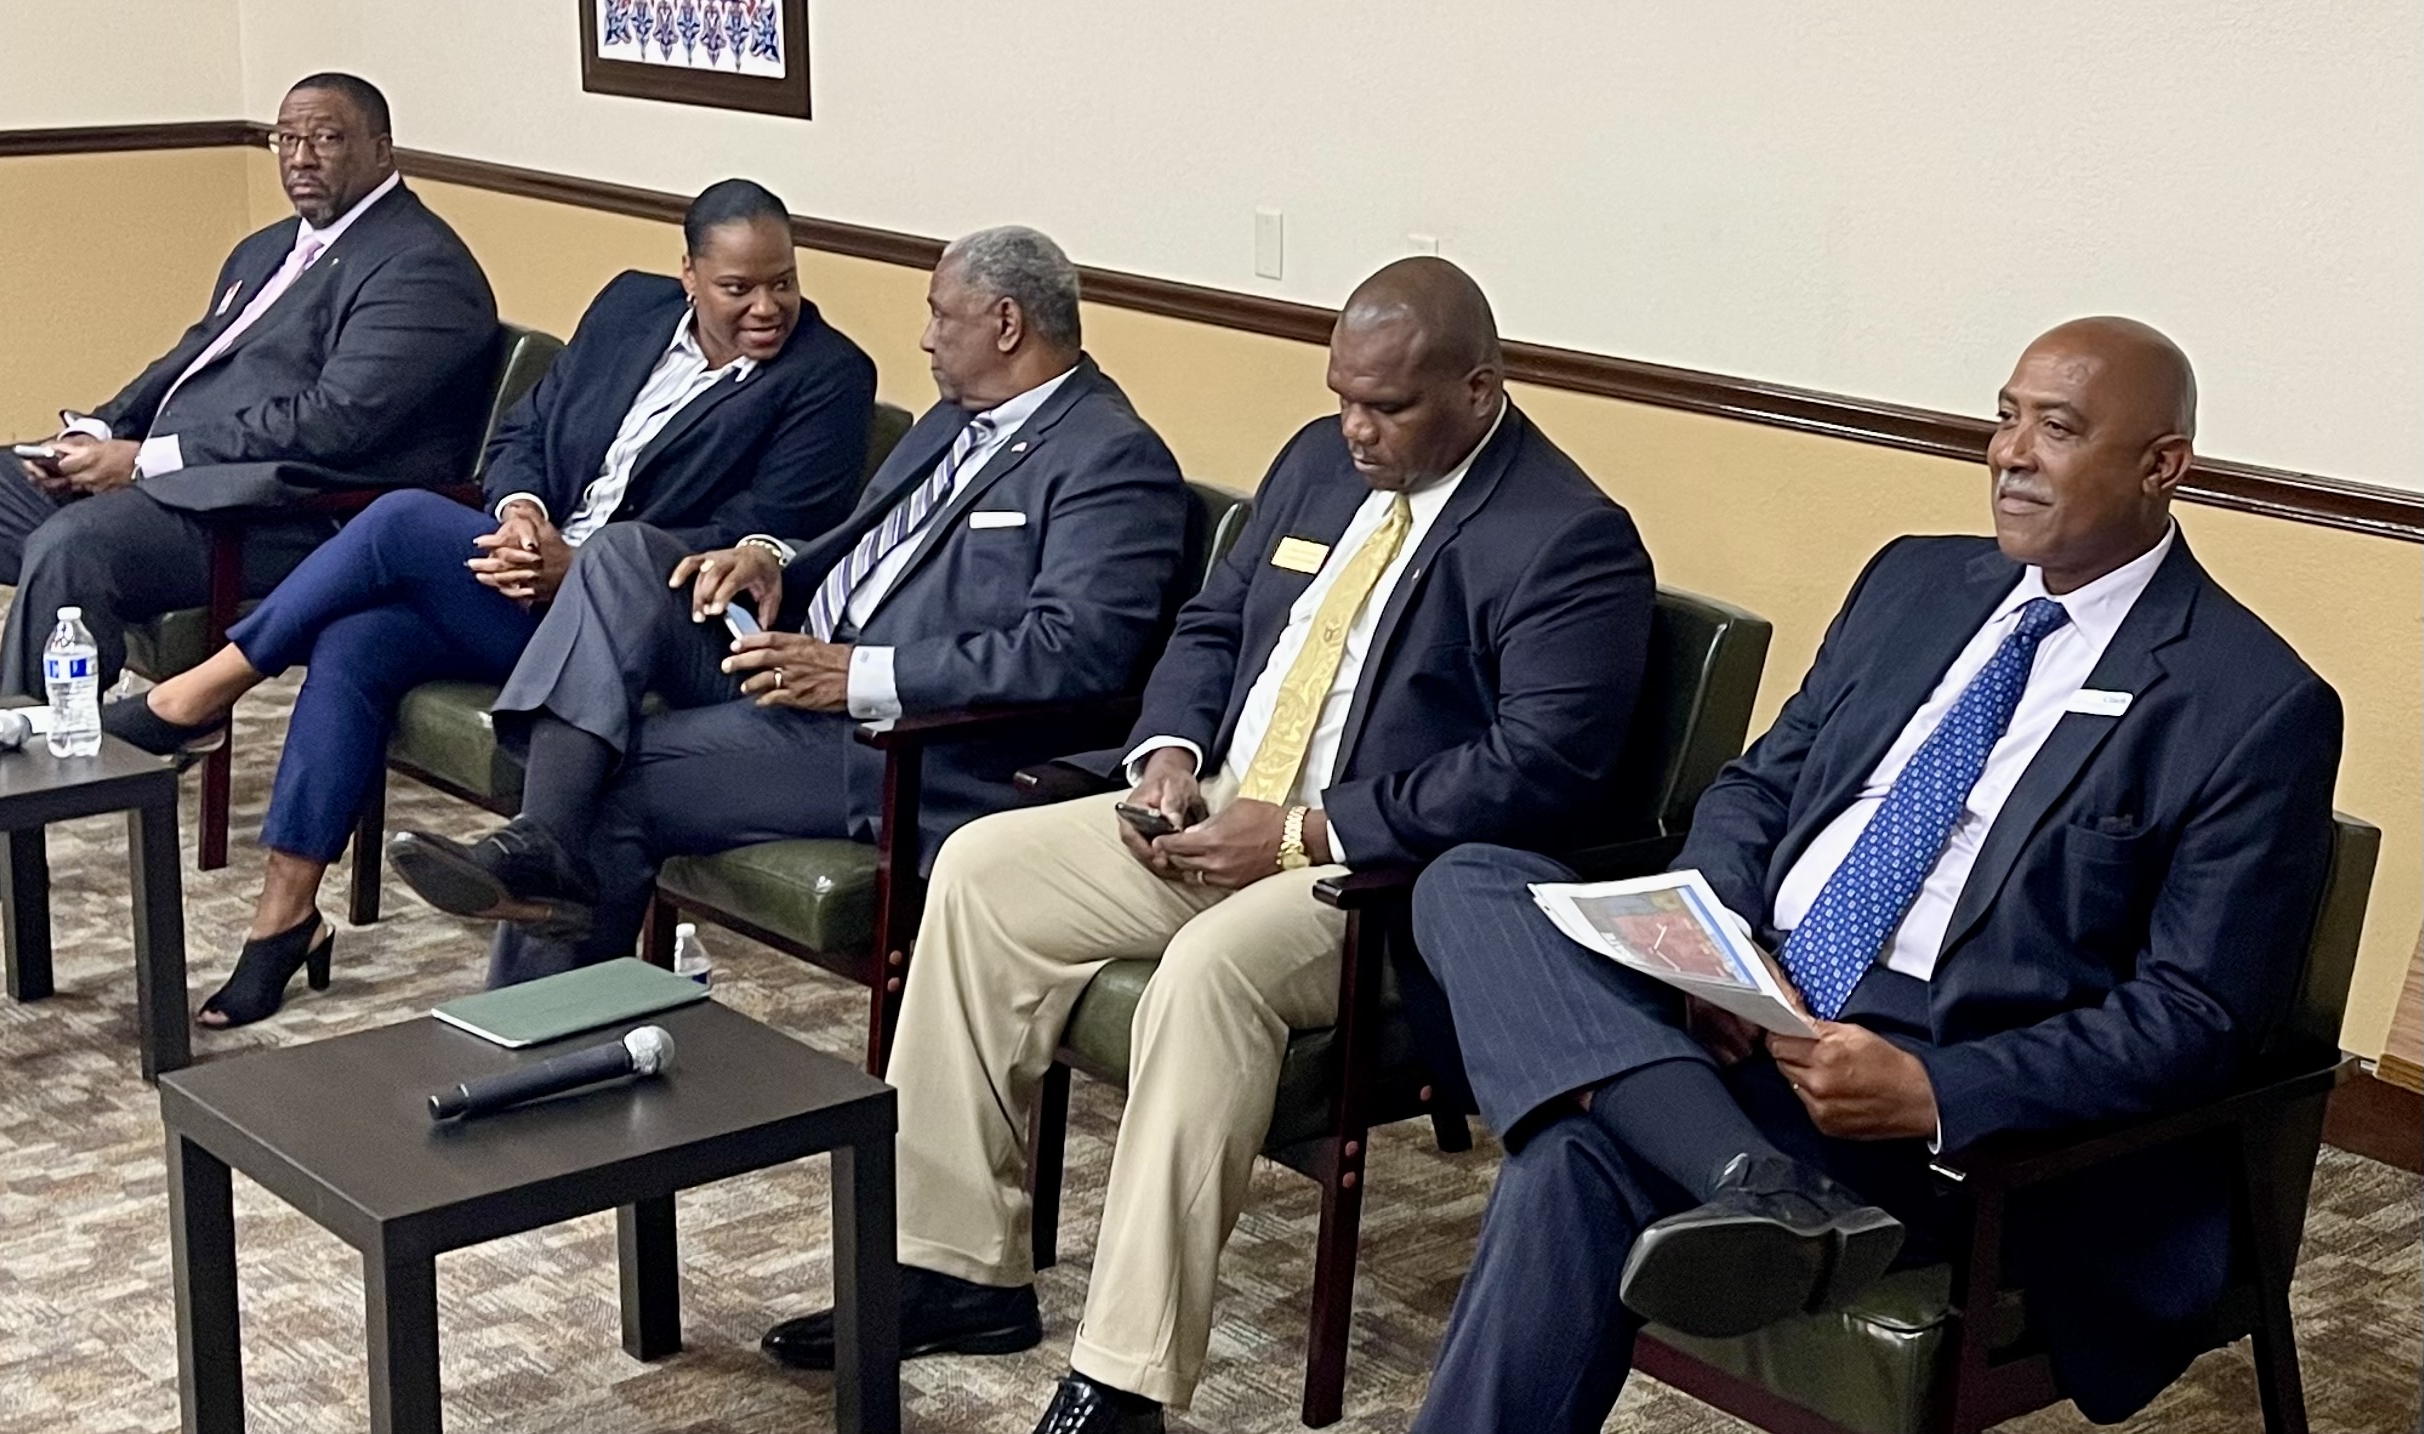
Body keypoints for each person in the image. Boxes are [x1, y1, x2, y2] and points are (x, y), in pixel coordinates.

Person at [759, 258, 1659, 1434]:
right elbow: (1211, 623)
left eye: (1385, 407)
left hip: (1374, 876)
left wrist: (1299, 830)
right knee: (982, 870)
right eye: (1341, 395)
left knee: (1206, 974)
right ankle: (953, 1269)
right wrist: (1169, 758)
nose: (1354, 429)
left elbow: (1538, 768)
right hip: (1217, 807)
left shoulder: (1566, 537)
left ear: (1479, 391)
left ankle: (1123, 1380)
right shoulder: (1312, 466)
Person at [1401, 318, 2343, 1432]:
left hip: (1946, 1092)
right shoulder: (1913, 582)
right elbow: (1759, 787)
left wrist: (1933, 1092)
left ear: (2160, 465)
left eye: (2055, 428)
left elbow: (2194, 1016)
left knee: (1568, 1164)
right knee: (1467, 882)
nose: (2008, 453)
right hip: (1754, 1003)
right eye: (2003, 417)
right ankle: (1761, 1183)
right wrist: (1716, 940)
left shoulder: (2251, 702)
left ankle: (1751, 1177)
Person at [99, 178, 876, 1028]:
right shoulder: (628, 309)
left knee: (397, 520)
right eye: (739, 288)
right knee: (360, 641)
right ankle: (281, 919)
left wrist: (574, 566)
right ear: (687, 273)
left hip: (643, 626)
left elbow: (764, 536)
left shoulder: (826, 375)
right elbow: (524, 435)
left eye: (783, 282)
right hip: (524, 577)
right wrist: (520, 515)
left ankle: (201, 695)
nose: (768, 306)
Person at [385, 226, 1193, 988]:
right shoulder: (954, 419)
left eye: (941, 315)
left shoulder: (1108, 457)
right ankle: (541, 846)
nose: (925, 337)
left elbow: (1074, 650)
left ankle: (530, 1041)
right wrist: (770, 563)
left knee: (611, 782)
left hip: (894, 740)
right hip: (790, 651)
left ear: (1006, 323)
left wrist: (856, 675)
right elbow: (867, 545)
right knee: (627, 553)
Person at [0, 72, 499, 924]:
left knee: (73, 549)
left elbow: (334, 425)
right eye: (287, 139)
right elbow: (190, 362)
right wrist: (98, 431)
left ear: (381, 150)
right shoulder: (271, 247)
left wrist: (140, 461)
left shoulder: (422, 267)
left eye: (326, 138)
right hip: (178, 483)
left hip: (291, 520)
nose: (301, 159)